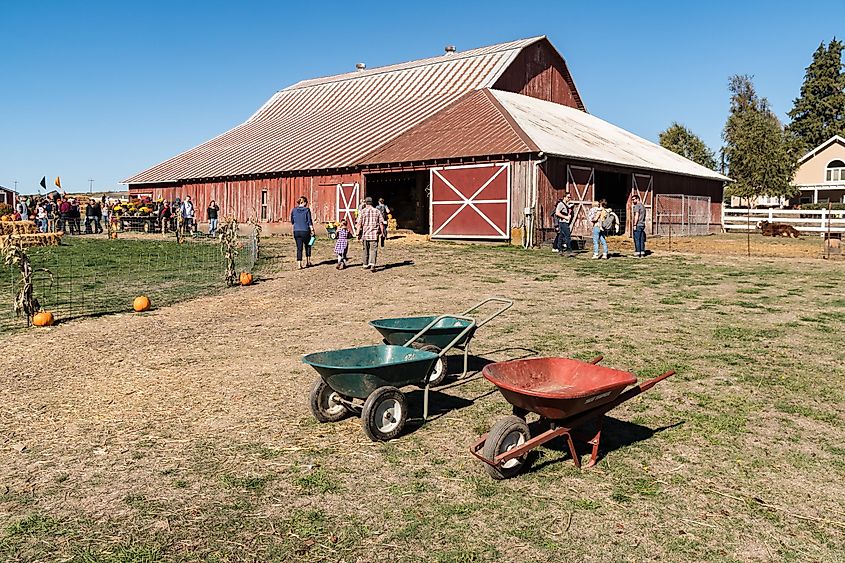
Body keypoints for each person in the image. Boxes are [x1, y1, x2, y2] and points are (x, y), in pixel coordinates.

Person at [356, 196, 384, 271]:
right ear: (372, 202)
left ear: (365, 203)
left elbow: (359, 224)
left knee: (365, 249)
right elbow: (381, 223)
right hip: (374, 234)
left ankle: (365, 264)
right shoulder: (377, 211)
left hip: (365, 234)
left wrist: (357, 234)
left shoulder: (362, 211)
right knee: (373, 250)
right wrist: (382, 233)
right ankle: (372, 264)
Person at [291, 195, 315, 269]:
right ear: (304, 202)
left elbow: (292, 221)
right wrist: (312, 230)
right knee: (308, 245)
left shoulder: (294, 210)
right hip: (305, 230)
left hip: (296, 231)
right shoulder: (307, 210)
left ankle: (299, 264)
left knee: (299, 248)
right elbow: (309, 221)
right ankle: (308, 262)